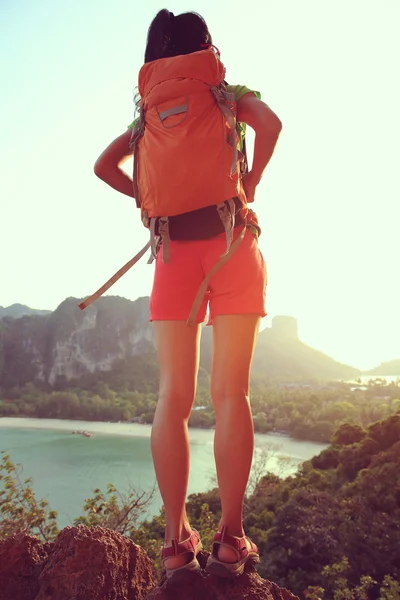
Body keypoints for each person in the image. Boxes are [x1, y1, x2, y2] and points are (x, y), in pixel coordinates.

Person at [94, 9, 282, 581]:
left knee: (171, 399)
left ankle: (175, 547)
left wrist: (145, 199)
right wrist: (248, 184)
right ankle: (230, 540)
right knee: (231, 394)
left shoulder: (146, 114)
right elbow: (272, 125)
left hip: (173, 255)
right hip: (232, 245)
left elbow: (104, 167)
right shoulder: (225, 94)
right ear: (206, 48)